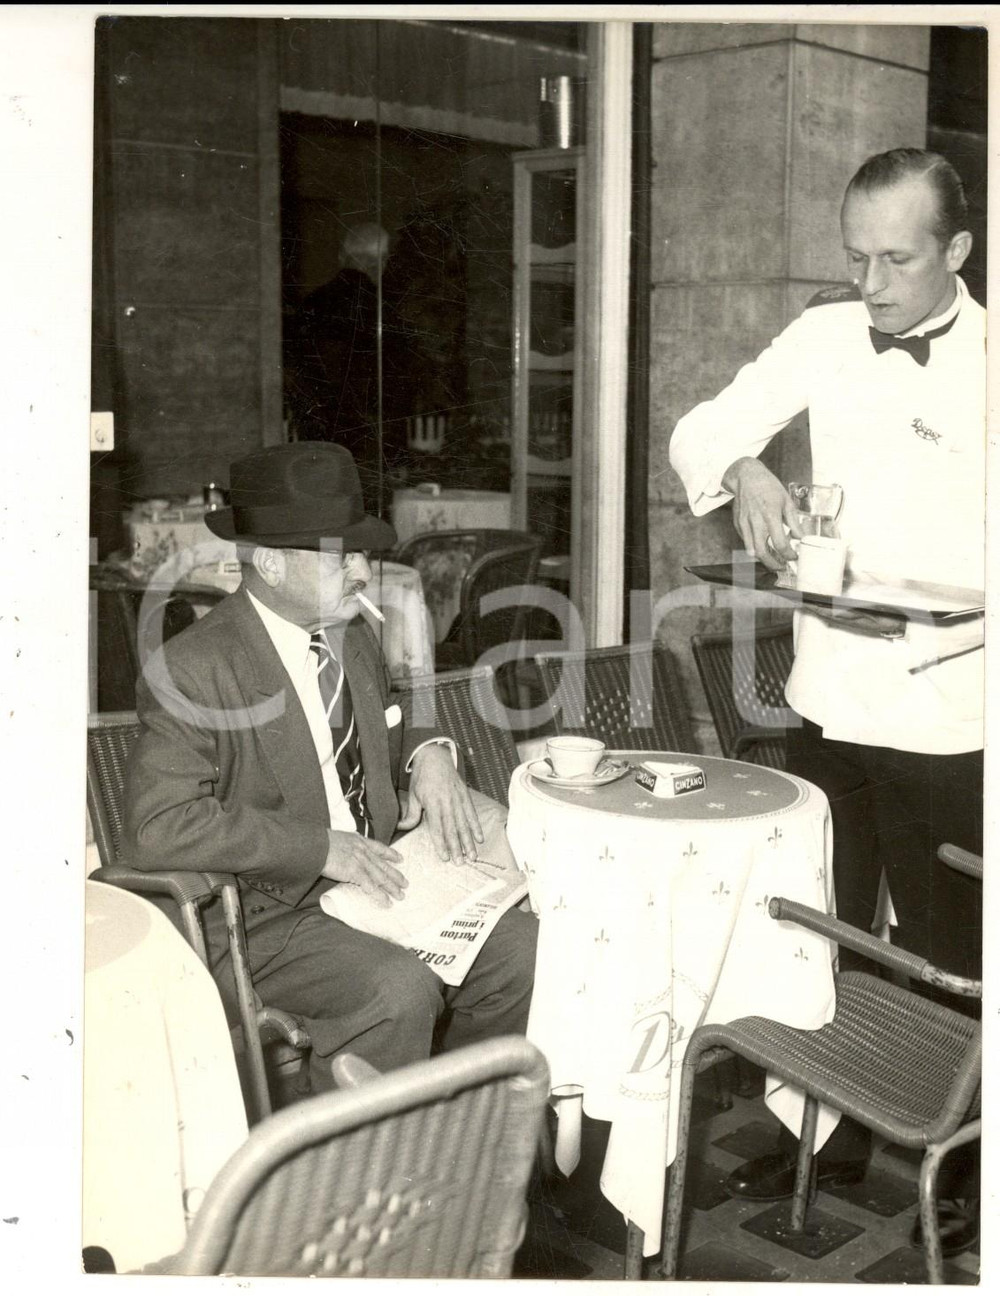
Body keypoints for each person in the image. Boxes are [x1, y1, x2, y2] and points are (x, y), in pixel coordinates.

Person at [669, 149, 984, 1256]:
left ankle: (964, 1166)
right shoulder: (822, 336)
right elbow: (700, 430)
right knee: (823, 935)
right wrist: (748, 467)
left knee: (952, 955)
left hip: (951, 712)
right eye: (856, 256)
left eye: (896, 259)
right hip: (827, 698)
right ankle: (826, 1134)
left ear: (957, 251)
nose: (871, 284)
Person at [123, 442, 537, 1095]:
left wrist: (431, 757)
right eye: (341, 556)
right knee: (398, 989)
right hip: (262, 911)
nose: (363, 574)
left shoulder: (349, 636)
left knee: (521, 951)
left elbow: (397, 711)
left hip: (373, 880)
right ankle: (357, 1182)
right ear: (270, 563)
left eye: (363, 554)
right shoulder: (195, 666)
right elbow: (159, 827)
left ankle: (462, 1142)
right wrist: (320, 850)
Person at [285, 223, 410, 503]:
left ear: (343, 255)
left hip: (319, 441)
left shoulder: (311, 304)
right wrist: (397, 454)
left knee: (327, 525)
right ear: (381, 261)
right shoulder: (382, 311)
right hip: (369, 445)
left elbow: (297, 378)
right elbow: (396, 388)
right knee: (365, 527)